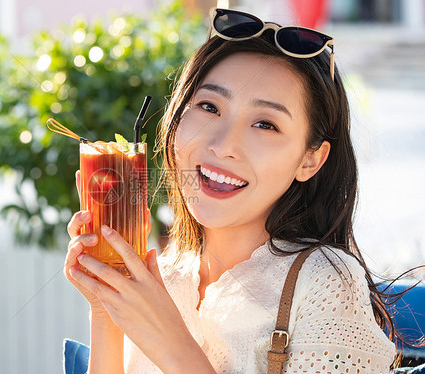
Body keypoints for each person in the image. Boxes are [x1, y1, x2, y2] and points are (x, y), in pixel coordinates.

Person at [64, 8, 399, 373]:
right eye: (209, 106)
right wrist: (106, 307)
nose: (224, 145)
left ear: (310, 160)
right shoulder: (167, 276)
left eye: (265, 124)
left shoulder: (326, 286)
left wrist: (173, 344)